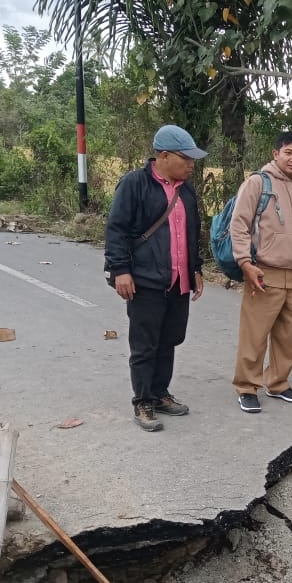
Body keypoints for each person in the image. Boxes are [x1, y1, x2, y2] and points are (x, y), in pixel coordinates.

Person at [104, 124, 206, 432]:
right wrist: (120, 270)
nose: (191, 165)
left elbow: (191, 233)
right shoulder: (134, 184)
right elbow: (117, 229)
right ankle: (143, 401)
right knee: (145, 344)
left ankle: (161, 393)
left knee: (169, 339)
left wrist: (196, 268)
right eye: (186, 159)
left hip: (178, 280)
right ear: (163, 156)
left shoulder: (186, 190)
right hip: (145, 279)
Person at [231, 131, 292, 414]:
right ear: (276, 154)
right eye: (289, 153)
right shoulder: (258, 183)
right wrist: (245, 262)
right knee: (254, 334)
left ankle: (278, 383)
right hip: (263, 272)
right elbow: (239, 224)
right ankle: (247, 386)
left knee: (287, 335)